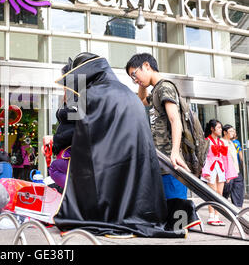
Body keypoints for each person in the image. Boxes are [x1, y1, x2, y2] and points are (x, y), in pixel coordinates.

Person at [53, 52, 187, 238]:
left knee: (56, 168)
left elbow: (72, 130)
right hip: (139, 166)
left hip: (110, 169)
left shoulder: (90, 94)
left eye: (135, 74)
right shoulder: (126, 93)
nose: (134, 80)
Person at [125, 53, 190, 200]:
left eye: (134, 74)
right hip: (161, 165)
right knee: (166, 215)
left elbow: (175, 120)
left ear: (147, 65)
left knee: (177, 215)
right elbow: (141, 100)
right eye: (132, 78)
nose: (135, 80)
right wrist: (140, 82)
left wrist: (175, 152)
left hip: (171, 166)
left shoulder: (165, 87)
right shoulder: (156, 91)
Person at [43, 63, 76, 189]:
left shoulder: (79, 98)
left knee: (55, 169)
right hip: (65, 151)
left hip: (71, 152)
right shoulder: (72, 96)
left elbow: (79, 128)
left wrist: (54, 139)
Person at [201, 119, 238, 225]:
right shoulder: (206, 141)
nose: (221, 130)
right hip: (211, 169)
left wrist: (229, 174)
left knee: (220, 194)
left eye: (221, 128)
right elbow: (204, 158)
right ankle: (211, 216)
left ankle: (217, 216)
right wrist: (205, 172)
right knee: (211, 193)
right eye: (218, 128)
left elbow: (227, 158)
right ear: (212, 129)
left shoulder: (221, 142)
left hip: (220, 169)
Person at [221, 125, 245, 208]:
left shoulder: (232, 143)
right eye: (230, 131)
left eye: (233, 131)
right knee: (224, 193)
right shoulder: (221, 143)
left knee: (238, 191)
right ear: (225, 132)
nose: (233, 133)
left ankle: (238, 210)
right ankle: (218, 208)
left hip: (236, 172)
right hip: (227, 174)